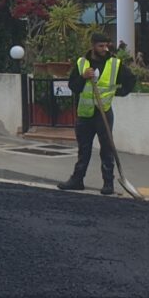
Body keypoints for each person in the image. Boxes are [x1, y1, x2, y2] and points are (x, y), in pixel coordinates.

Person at [57, 32, 136, 195]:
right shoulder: (82, 63)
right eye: (100, 46)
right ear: (92, 45)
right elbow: (73, 86)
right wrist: (83, 77)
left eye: (106, 45)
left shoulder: (115, 63)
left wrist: (117, 93)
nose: (104, 49)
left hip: (103, 112)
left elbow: (130, 80)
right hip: (85, 114)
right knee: (83, 149)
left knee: (107, 148)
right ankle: (77, 180)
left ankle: (108, 183)